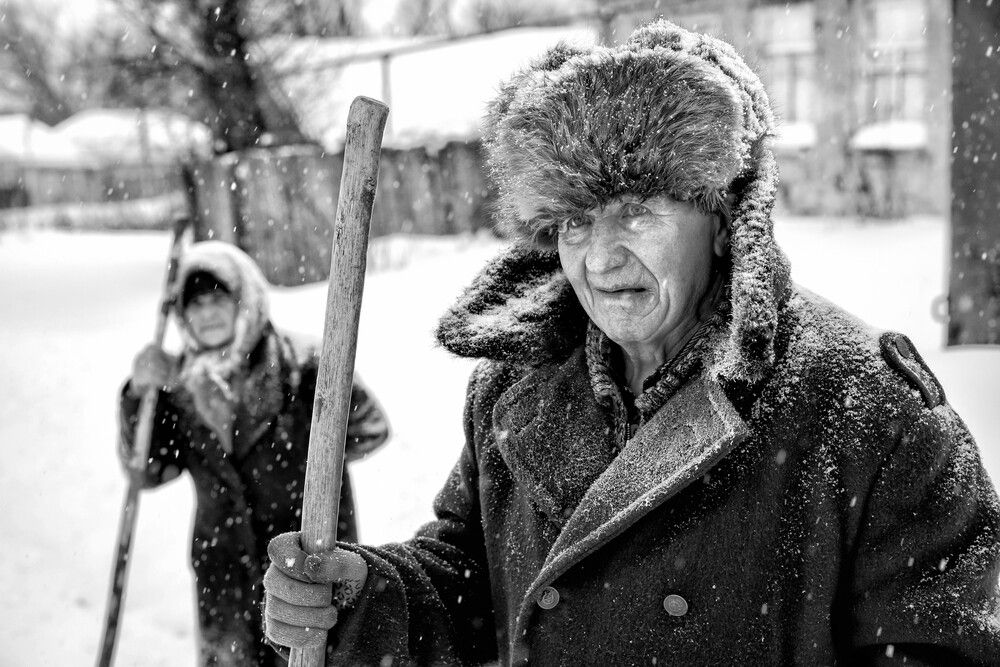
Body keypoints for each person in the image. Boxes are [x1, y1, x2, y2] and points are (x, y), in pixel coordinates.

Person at [261, 20, 1000, 666]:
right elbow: (472, 579)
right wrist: (364, 598)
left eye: (637, 211)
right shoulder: (515, 388)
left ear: (721, 216)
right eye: (575, 222)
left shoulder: (864, 405)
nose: (601, 258)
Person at [118, 241, 390, 666]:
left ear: (244, 299)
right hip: (223, 577)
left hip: (307, 573)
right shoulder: (178, 387)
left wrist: (307, 465)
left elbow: (371, 429)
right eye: (195, 304)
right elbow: (148, 471)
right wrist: (138, 395)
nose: (206, 314)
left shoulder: (303, 365)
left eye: (217, 299)